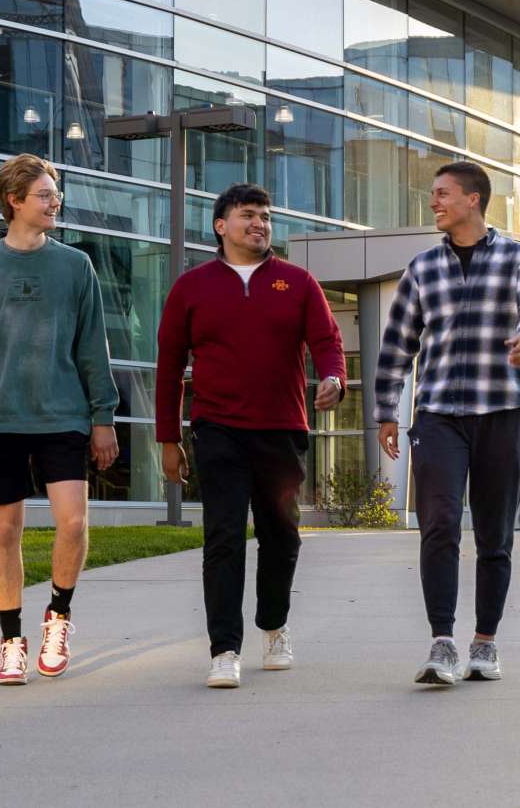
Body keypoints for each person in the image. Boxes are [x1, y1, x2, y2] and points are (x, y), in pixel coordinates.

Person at [0, 153, 121, 686]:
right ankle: (11, 641)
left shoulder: (75, 265)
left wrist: (103, 416)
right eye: (44, 193)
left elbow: (92, 350)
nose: (54, 201)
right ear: (14, 200)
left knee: (74, 522)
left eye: (55, 192)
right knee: (6, 530)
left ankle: (57, 616)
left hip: (63, 414)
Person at [155, 183, 346, 689]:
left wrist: (333, 378)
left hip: (281, 429)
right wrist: (167, 438)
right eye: (248, 215)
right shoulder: (191, 287)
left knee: (281, 536)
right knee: (222, 539)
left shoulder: (298, 282)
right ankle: (224, 650)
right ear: (221, 226)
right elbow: (170, 365)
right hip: (218, 430)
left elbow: (327, 340)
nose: (259, 223)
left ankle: (274, 626)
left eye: (265, 216)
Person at [373, 160, 520, 686]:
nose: (435, 202)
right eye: (434, 194)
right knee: (440, 525)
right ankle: (443, 642)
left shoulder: (518, 259)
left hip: (502, 411)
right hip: (439, 416)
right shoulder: (422, 268)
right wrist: (387, 410)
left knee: (496, 534)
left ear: (473, 199)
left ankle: (485, 642)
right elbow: (397, 346)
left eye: (443, 193)